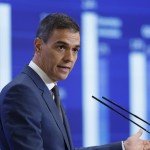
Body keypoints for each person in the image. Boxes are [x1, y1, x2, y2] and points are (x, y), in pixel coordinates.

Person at [0, 13, 150, 150]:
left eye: (75, 50)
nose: (69, 58)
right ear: (38, 46)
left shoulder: (48, 90)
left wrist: (123, 147)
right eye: (61, 47)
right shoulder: (21, 92)